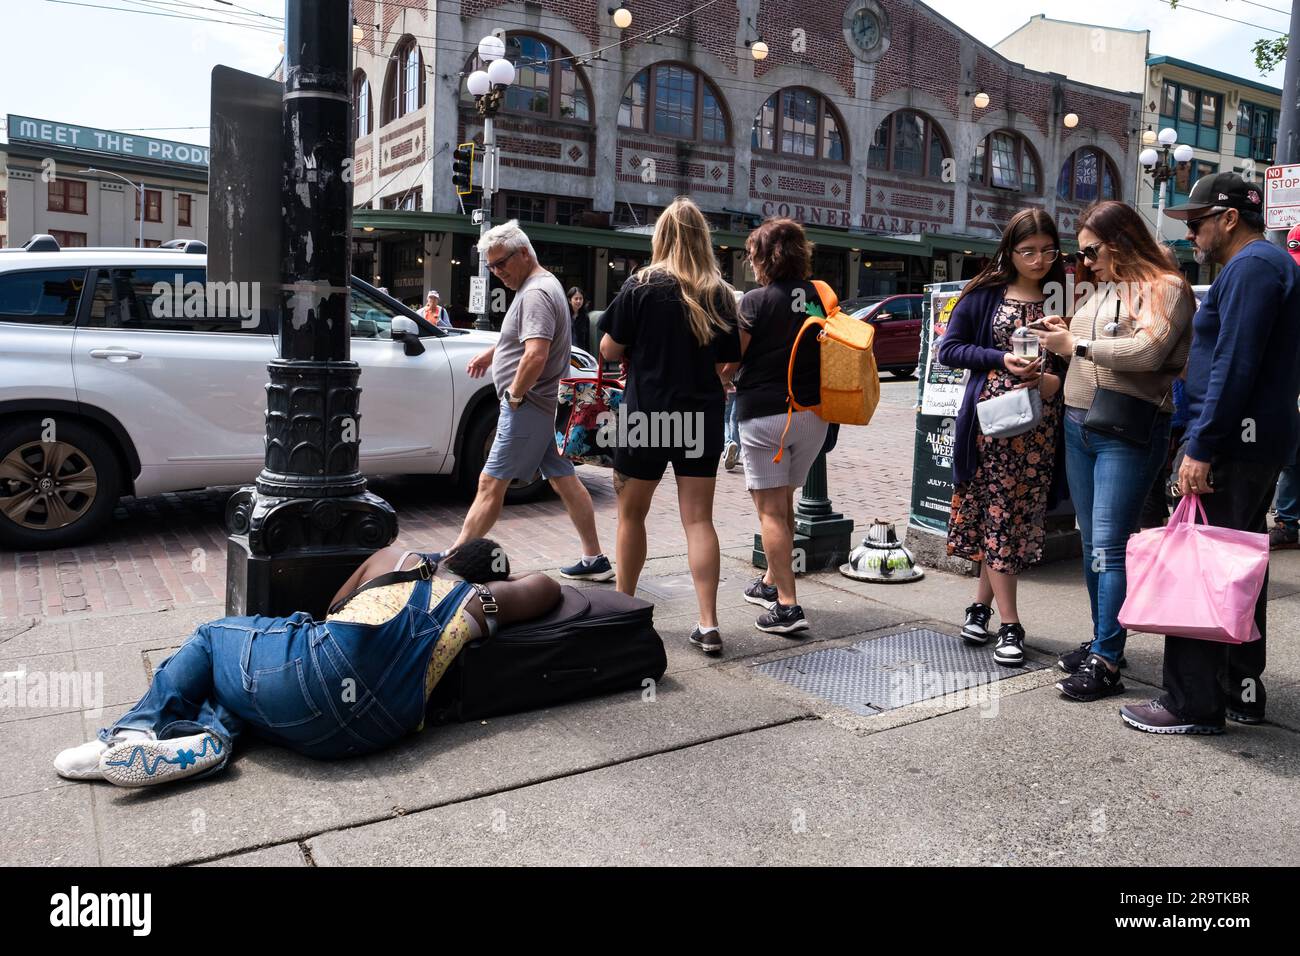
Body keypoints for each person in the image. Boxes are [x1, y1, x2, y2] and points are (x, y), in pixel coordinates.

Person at [53, 541, 559, 788]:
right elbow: (549, 587)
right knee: (249, 689)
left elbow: (332, 610)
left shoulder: (396, 558)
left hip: (309, 680)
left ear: (449, 552)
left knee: (214, 638)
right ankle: (211, 736)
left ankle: (130, 734)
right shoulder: (480, 603)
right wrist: (495, 585)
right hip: (373, 733)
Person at [1119, 173, 1300, 734]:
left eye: (1196, 223)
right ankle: (1241, 690)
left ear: (1228, 219)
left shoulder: (1250, 268)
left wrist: (1201, 445)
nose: (1190, 235)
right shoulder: (1269, 267)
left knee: (1198, 566)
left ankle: (1191, 703)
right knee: (1238, 567)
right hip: (1256, 440)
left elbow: (1234, 364)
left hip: (1231, 443)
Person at [1033, 200, 1195, 702]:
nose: (1085, 262)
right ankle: (1105, 639)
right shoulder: (1106, 289)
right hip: (1080, 423)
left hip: (1128, 427)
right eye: (1080, 254)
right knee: (1092, 541)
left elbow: (1147, 352)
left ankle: (1106, 660)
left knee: (1109, 544)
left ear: (1121, 241)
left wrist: (1075, 346)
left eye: (1091, 251)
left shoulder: (1167, 288)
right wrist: (1063, 330)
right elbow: (1087, 339)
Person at [598, 197, 740, 654]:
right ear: (704, 240)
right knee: (699, 520)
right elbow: (729, 357)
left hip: (647, 415)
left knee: (631, 516)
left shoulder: (640, 285)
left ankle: (624, 611)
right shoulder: (718, 291)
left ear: (662, 237)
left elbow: (607, 349)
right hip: (700, 416)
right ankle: (709, 622)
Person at [938, 208, 1067, 667]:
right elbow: (948, 349)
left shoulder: (1064, 292)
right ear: (1009, 251)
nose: (1038, 260)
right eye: (1028, 251)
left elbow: (1074, 366)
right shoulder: (986, 291)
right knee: (998, 515)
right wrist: (999, 359)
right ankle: (1010, 624)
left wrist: (1051, 383)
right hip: (991, 424)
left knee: (1010, 517)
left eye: (1047, 250)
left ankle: (980, 607)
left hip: (1040, 428)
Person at [457, 221, 613, 581]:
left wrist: (514, 396)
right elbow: (524, 338)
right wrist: (492, 354)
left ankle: (453, 561)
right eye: (491, 267)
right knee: (564, 479)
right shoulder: (542, 285)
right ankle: (595, 559)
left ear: (524, 252)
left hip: (527, 408)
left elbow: (535, 354)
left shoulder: (535, 293)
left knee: (490, 483)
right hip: (538, 408)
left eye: (500, 264)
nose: (497, 273)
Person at [733, 218, 827, 634]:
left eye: (753, 255)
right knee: (784, 501)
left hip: (766, 416)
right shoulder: (817, 296)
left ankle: (788, 607)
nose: (751, 263)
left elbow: (731, 361)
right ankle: (771, 582)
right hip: (813, 416)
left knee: (769, 511)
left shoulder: (754, 302)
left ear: (765, 257)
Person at [568, 286, 591, 352]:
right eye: (576, 298)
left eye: (581, 298)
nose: (579, 301)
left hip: (580, 353)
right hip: (567, 353)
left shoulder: (585, 317)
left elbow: (587, 340)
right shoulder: (565, 315)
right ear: (569, 300)